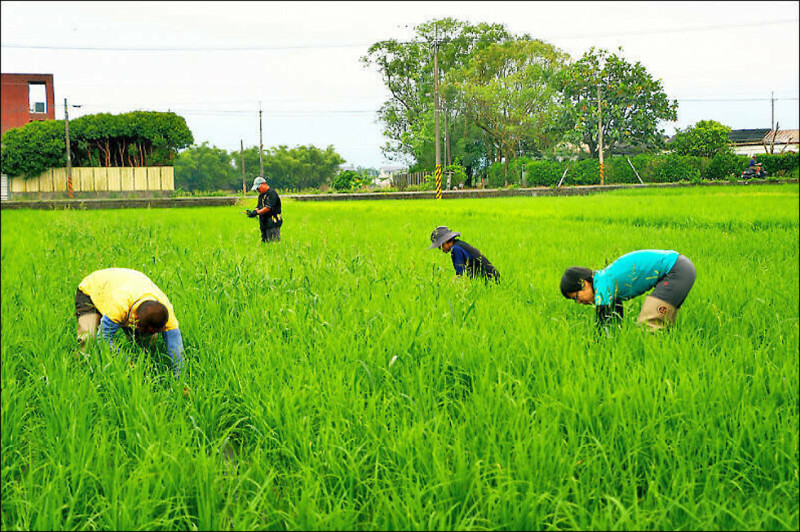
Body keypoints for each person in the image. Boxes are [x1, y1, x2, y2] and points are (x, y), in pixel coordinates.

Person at [75, 267, 185, 375]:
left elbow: (176, 348)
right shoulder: (120, 305)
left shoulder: (167, 313)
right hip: (93, 290)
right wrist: (127, 361)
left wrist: (180, 378)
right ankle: (83, 371)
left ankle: (146, 369)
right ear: (136, 318)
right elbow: (104, 338)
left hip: (126, 286)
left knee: (148, 343)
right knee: (89, 337)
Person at [560, 249, 696, 332]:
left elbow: (602, 327)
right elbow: (615, 322)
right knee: (663, 328)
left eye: (576, 297)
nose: (578, 302)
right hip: (680, 267)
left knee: (649, 326)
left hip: (675, 271)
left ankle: (649, 366)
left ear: (583, 283)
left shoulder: (602, 285)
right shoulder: (606, 283)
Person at [428, 226, 500, 282]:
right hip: (492, 279)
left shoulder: (456, 250)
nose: (441, 249)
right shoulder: (460, 245)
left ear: (445, 242)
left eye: (440, 246)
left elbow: (461, 275)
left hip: (488, 281)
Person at [243, 176, 283, 242]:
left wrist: (257, 213)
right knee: (265, 243)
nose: (258, 190)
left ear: (263, 184)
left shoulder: (272, 194)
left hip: (273, 222)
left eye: (258, 188)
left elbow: (267, 208)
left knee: (273, 243)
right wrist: (253, 212)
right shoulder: (261, 195)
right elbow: (259, 206)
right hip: (264, 223)